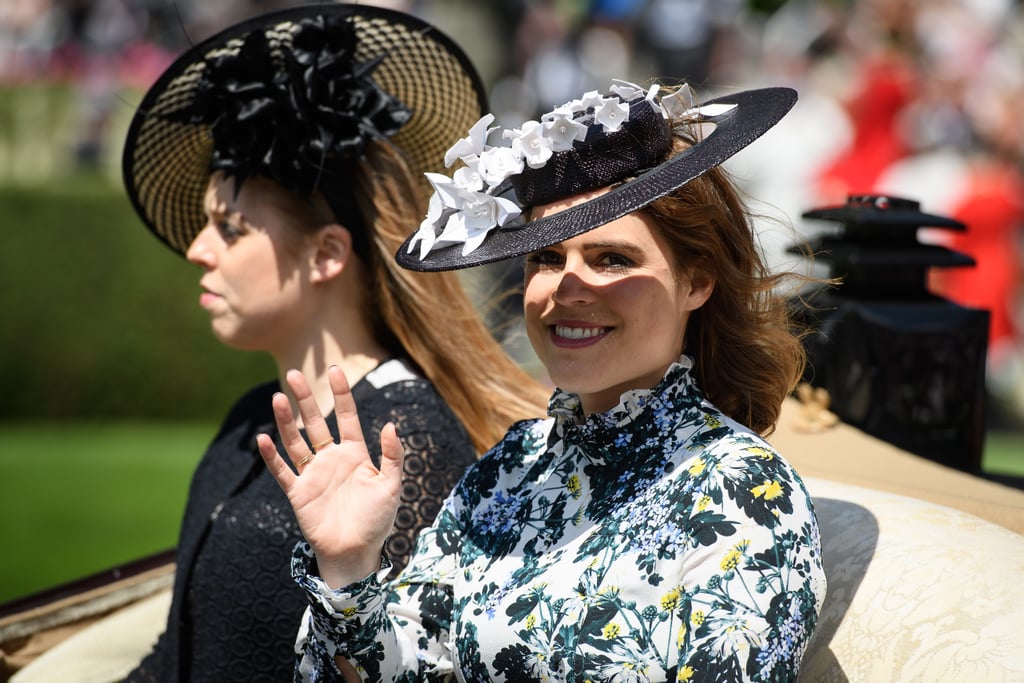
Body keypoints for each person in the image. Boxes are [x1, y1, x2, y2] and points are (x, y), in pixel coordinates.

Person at [260, 80, 827, 681]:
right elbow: (408, 665)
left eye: (612, 258)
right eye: (546, 259)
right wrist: (348, 570)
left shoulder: (745, 492)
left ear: (698, 282)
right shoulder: (512, 467)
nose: (566, 285)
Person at [119, 5, 549, 682]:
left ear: (326, 253)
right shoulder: (248, 418)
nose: (198, 251)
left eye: (230, 229)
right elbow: (179, 652)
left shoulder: (407, 442)